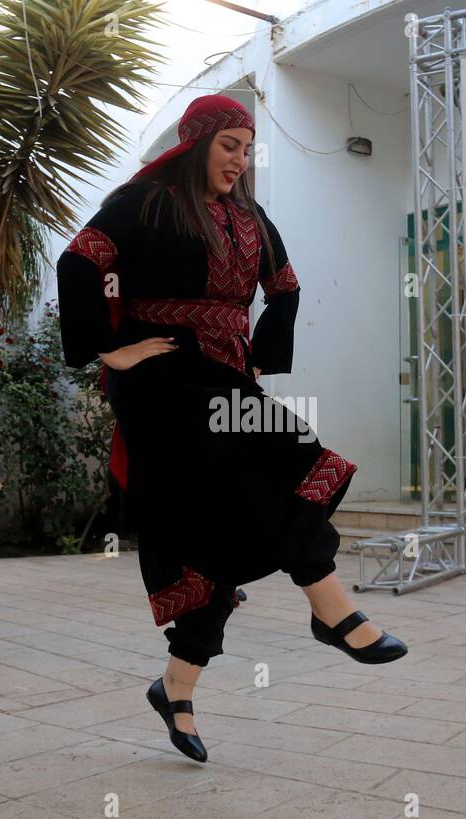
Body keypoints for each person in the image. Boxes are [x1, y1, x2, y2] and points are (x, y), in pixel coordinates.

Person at [58, 94, 407, 764]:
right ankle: (332, 610)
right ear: (196, 143)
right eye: (229, 146)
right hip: (163, 381)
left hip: (225, 380)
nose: (240, 159)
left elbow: (286, 285)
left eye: (247, 148)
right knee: (295, 457)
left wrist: (263, 358)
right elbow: (79, 261)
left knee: (216, 542)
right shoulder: (147, 201)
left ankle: (176, 689)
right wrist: (109, 348)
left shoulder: (250, 215)